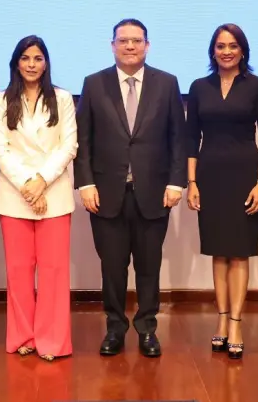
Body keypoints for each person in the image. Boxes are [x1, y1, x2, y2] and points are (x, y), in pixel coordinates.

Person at [74, 18, 186, 358]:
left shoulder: (167, 83)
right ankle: (114, 328)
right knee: (112, 267)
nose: (130, 46)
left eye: (137, 40)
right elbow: (83, 139)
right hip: (106, 194)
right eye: (123, 40)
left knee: (149, 267)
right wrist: (85, 183)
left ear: (147, 45)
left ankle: (147, 328)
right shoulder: (94, 84)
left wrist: (176, 181)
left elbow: (178, 138)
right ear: (112, 45)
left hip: (154, 193)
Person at [186, 24, 258, 359]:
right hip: (209, 176)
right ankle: (221, 320)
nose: (226, 51)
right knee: (218, 252)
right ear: (213, 50)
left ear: (243, 50)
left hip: (245, 176)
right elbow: (190, 137)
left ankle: (236, 323)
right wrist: (192, 183)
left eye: (233, 46)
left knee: (239, 252)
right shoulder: (199, 86)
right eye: (221, 46)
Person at [0, 35, 78, 362]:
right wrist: (28, 185)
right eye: (25, 58)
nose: (31, 64)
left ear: (46, 63)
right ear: (16, 63)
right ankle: (23, 336)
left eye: (38, 58)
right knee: (19, 271)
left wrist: (41, 182)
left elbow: (68, 146)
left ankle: (52, 340)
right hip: (15, 195)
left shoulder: (63, 99)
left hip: (53, 194)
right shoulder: (2, 100)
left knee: (54, 271)